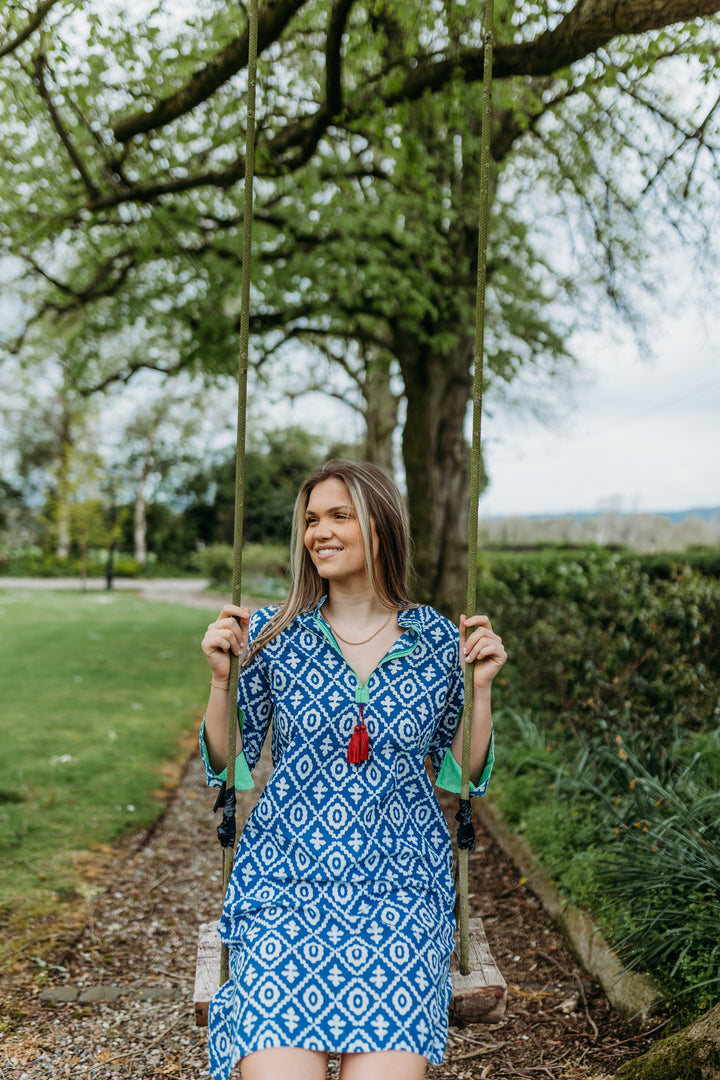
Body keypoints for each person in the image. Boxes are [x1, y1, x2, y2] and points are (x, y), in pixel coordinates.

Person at [200, 460, 506, 1080]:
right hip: (284, 889)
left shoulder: (439, 642)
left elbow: (465, 777)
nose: (321, 532)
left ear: (381, 525)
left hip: (400, 891)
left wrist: (482, 691)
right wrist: (219, 682)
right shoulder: (268, 634)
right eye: (312, 519)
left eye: (340, 515)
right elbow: (227, 765)